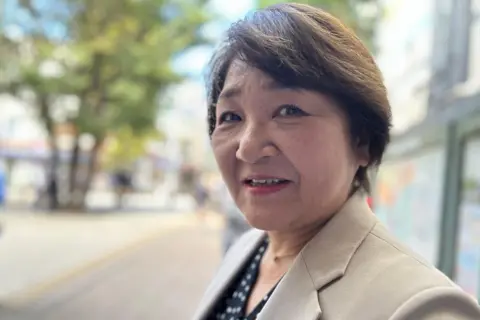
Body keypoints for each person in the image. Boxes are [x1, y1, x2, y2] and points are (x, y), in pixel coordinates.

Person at [193, 4, 480, 320]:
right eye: (231, 116)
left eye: (289, 111)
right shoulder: (246, 250)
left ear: (362, 142)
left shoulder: (421, 307)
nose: (247, 149)